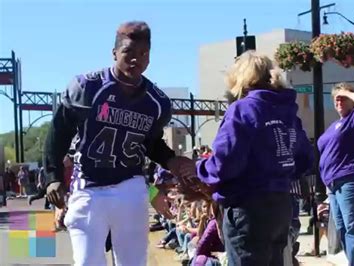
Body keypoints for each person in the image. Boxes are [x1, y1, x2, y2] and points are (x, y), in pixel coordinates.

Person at [42, 21, 194, 266]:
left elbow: (151, 143)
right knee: (87, 262)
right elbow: (59, 132)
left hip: (129, 187)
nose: (136, 60)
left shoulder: (156, 102)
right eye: (129, 52)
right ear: (114, 53)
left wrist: (171, 160)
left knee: (132, 263)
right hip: (88, 185)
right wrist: (53, 176)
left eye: (143, 54)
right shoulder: (88, 87)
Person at [181, 51, 314, 266]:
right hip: (281, 204)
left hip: (247, 207)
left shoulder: (243, 109)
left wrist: (199, 168)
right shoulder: (288, 111)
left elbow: (225, 163)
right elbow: (305, 159)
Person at [316, 83, 354, 266]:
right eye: (336, 98)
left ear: (352, 100)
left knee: (352, 229)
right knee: (341, 229)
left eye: (343, 97)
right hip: (334, 184)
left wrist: (347, 92)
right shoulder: (335, 125)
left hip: (351, 178)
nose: (339, 100)